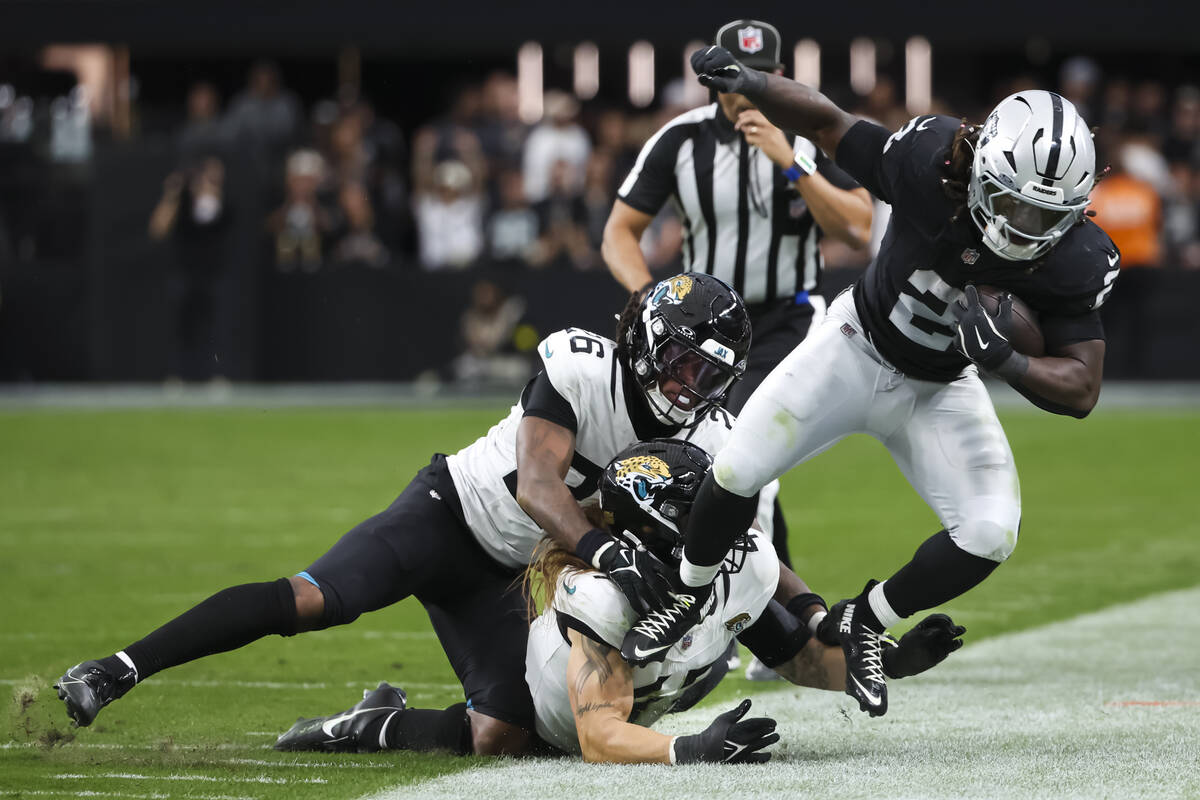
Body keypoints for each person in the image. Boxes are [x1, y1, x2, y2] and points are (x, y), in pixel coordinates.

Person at [619, 45, 1121, 720]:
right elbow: (828, 123)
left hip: (941, 387)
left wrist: (1006, 360)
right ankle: (688, 591)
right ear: (981, 168)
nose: (1025, 228)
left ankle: (865, 619)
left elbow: (1083, 386)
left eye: (1045, 216)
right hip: (855, 346)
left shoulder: (1076, 257)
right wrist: (756, 83)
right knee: (736, 469)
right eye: (1014, 204)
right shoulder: (930, 162)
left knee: (992, 529)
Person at [53, 273, 753, 757]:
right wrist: (605, 553)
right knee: (312, 599)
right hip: (447, 515)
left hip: (506, 579)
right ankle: (115, 669)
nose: (687, 390)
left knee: (502, 737)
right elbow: (538, 489)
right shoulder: (578, 366)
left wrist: (807, 612)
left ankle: (364, 726)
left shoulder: (702, 438)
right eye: (682, 365)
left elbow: (746, 540)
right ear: (647, 340)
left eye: (708, 377)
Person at [272, 440, 965, 761]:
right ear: (659, 526)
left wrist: (894, 662)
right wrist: (691, 749)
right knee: (499, 741)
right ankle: (369, 725)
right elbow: (599, 738)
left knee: (718, 639)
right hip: (569, 718)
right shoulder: (600, 596)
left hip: (663, 683)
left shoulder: (745, 561)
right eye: (704, 515)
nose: (726, 529)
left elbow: (795, 658)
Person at [602, 19, 873, 586]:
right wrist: (647, 297)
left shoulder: (806, 137)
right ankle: (786, 618)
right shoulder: (680, 140)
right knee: (718, 459)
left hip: (788, 319)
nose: (744, 89)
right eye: (732, 78)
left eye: (757, 76)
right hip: (699, 331)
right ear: (712, 81)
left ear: (778, 78)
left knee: (744, 449)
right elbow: (619, 232)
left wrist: (790, 162)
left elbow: (858, 228)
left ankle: (742, 608)